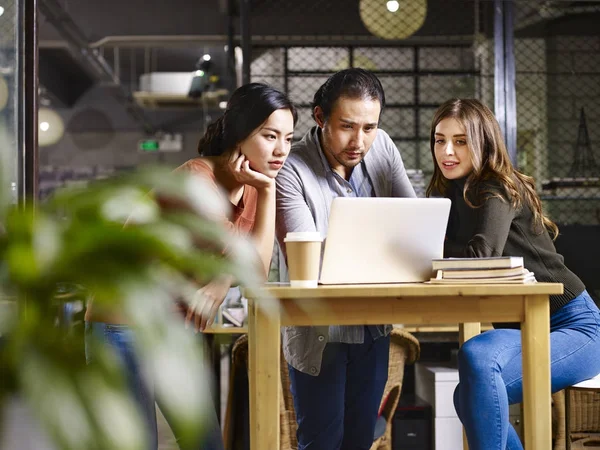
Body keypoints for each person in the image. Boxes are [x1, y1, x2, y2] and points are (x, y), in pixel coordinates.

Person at [85, 82, 297, 450]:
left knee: (205, 443)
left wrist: (222, 278)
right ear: (240, 134)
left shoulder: (254, 185)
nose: (281, 150)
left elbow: (253, 271)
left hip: (170, 329)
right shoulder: (197, 181)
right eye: (269, 136)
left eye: (289, 138)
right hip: (122, 323)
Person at [427, 98, 600, 450]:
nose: (446, 150)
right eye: (439, 139)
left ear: (483, 141)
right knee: (469, 394)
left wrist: (423, 250)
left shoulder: (496, 187)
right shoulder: (450, 193)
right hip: (526, 327)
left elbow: (481, 256)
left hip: (575, 327)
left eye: (460, 141)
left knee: (475, 362)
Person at [275, 68, 416, 450]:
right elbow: (308, 260)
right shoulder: (291, 169)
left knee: (359, 442)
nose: (360, 141)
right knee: (321, 442)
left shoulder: (382, 146)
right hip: (320, 332)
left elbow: (414, 226)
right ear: (320, 118)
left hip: (373, 327)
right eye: (347, 126)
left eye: (369, 127)